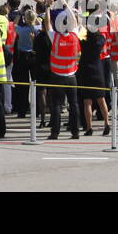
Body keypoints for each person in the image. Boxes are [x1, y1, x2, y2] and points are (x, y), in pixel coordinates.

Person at [44, 7, 81, 139]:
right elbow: (75, 22)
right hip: (71, 75)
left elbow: (47, 24)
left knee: (56, 105)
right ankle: (75, 131)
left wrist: (47, 9)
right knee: (74, 103)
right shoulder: (74, 36)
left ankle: (55, 132)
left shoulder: (55, 37)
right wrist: (67, 7)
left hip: (57, 76)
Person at [78, 20, 111, 136]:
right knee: (101, 99)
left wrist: (82, 27)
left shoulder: (83, 41)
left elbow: (80, 34)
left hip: (85, 71)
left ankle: (89, 127)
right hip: (98, 70)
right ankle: (107, 123)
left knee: (87, 101)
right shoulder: (100, 40)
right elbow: (102, 35)